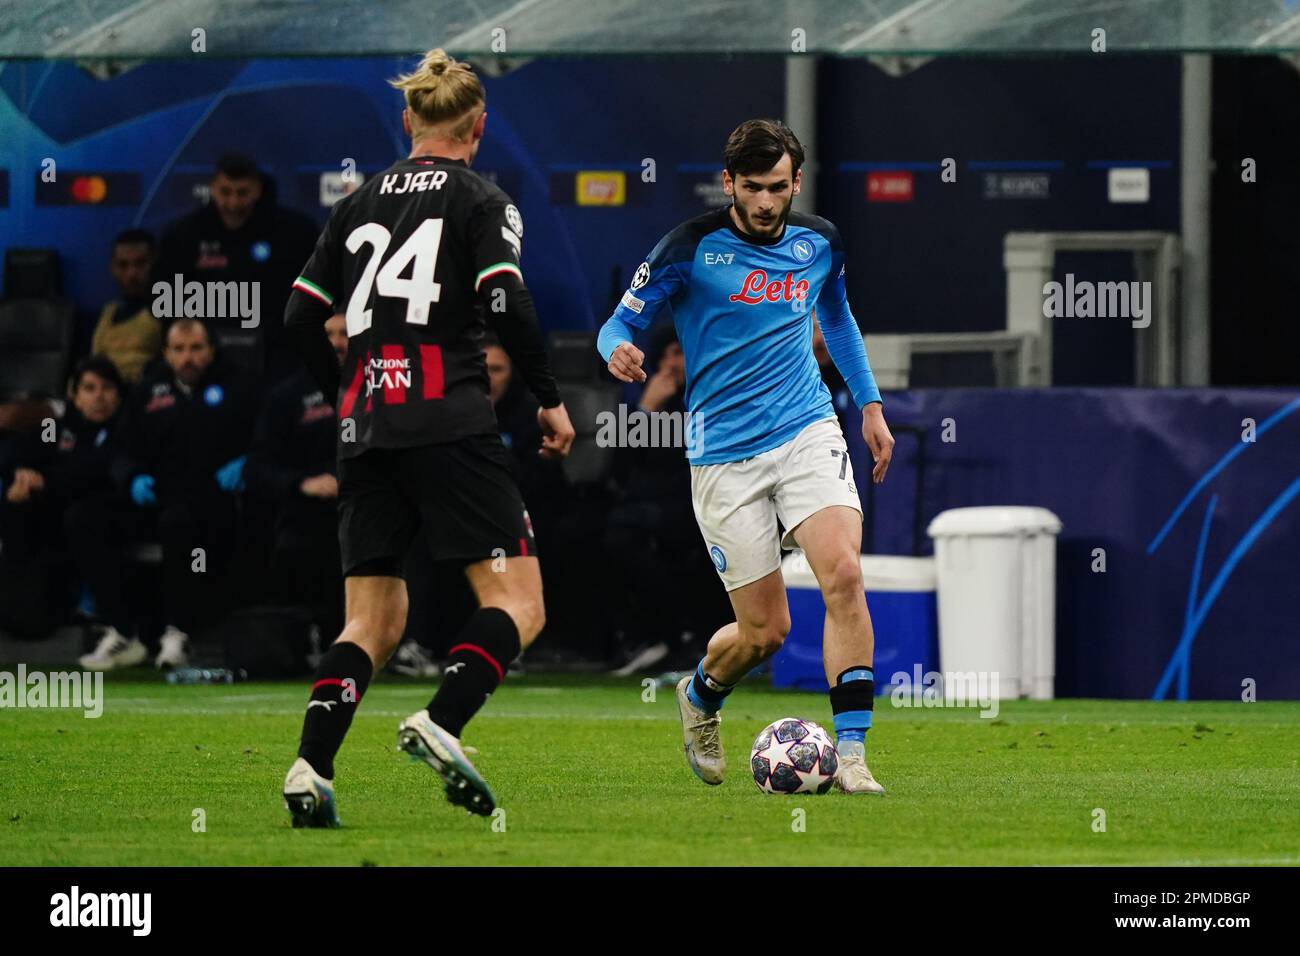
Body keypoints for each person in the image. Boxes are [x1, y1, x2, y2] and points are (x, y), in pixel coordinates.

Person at [281, 47, 575, 826]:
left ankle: (310, 766)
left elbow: (300, 316)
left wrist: (342, 394)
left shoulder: (357, 202)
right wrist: (547, 397)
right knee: (520, 601)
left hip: (368, 427)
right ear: (479, 126)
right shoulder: (484, 199)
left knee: (369, 623)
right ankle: (442, 721)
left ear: (408, 121)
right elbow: (507, 304)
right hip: (450, 420)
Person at [597, 119, 896, 795]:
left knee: (844, 574)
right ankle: (702, 695)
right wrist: (614, 348)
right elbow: (620, 320)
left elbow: (838, 317)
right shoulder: (690, 247)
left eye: (780, 187)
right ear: (729, 183)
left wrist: (870, 404)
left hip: (806, 428)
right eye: (754, 188)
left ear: (797, 183)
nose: (767, 202)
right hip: (724, 454)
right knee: (764, 633)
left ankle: (851, 755)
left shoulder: (819, 242)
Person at [100, 318, 261, 669]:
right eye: (179, 349)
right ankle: (122, 629)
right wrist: (131, 477)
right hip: (155, 496)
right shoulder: (149, 390)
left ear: (211, 350)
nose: (188, 357)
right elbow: (119, 449)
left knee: (178, 526)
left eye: (196, 348)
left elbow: (268, 439)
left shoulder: (240, 386)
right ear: (166, 353)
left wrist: (247, 462)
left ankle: (177, 633)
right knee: (84, 518)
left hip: (214, 502)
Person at [153, 152, 318, 377]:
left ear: (258, 190)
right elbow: (165, 299)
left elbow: (312, 297)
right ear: (212, 188)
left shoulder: (296, 233)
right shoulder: (183, 235)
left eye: (242, 193)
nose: (233, 203)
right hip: (204, 356)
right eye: (225, 192)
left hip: (277, 353)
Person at [246, 313, 349, 644]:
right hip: (311, 512)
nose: (336, 342)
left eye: (345, 333)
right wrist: (303, 483)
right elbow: (259, 467)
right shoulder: (287, 397)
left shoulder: (384, 387)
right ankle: (306, 638)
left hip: (372, 505)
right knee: (297, 545)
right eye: (328, 333)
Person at [89, 230, 162, 386]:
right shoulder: (108, 311)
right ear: (112, 268)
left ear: (156, 264)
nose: (132, 273)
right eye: (123, 265)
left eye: (140, 264)